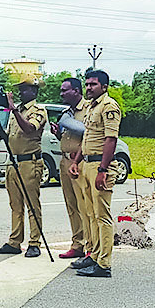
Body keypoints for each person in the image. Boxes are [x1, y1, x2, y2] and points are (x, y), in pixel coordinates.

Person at [69, 70, 122, 277]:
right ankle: (94, 255)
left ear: (104, 87)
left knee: (102, 215)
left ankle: (104, 264)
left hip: (101, 164)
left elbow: (111, 140)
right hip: (88, 164)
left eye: (93, 84)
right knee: (90, 214)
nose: (89, 88)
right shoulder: (92, 107)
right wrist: (76, 161)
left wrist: (103, 170)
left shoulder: (109, 106)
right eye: (87, 84)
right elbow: (87, 138)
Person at [0, 74, 48, 257]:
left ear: (34, 90)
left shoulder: (38, 110)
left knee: (32, 204)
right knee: (15, 205)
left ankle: (34, 242)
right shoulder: (18, 111)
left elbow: (30, 128)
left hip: (29, 162)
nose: (21, 92)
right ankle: (15, 241)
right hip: (13, 162)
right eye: (20, 89)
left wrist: (13, 109)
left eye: (25, 89)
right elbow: (10, 136)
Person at [50, 78, 91, 259]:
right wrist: (58, 134)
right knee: (71, 205)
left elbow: (89, 134)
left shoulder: (88, 109)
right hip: (65, 160)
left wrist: (77, 158)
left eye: (65, 90)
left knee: (85, 206)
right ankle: (77, 244)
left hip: (80, 161)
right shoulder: (67, 112)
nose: (61, 94)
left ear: (76, 91)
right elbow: (68, 136)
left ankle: (90, 245)